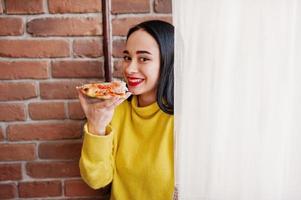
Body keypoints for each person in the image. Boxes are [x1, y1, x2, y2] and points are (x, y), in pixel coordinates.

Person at [78, 20, 174, 200]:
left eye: (143, 58)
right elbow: (97, 180)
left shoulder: (183, 119)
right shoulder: (115, 109)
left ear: (167, 63)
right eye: (127, 57)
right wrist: (96, 127)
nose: (130, 69)